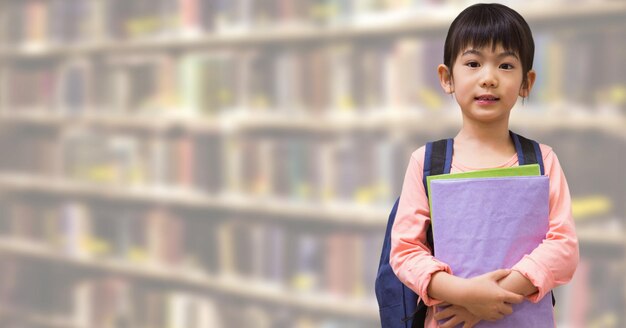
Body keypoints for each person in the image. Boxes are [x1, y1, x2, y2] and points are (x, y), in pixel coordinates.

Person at [389, 3, 579, 328]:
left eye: (505, 66)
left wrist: (487, 301)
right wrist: (464, 293)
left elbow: (563, 249)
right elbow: (405, 252)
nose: (488, 78)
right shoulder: (427, 162)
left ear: (526, 83)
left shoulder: (542, 160)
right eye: (473, 63)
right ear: (447, 78)